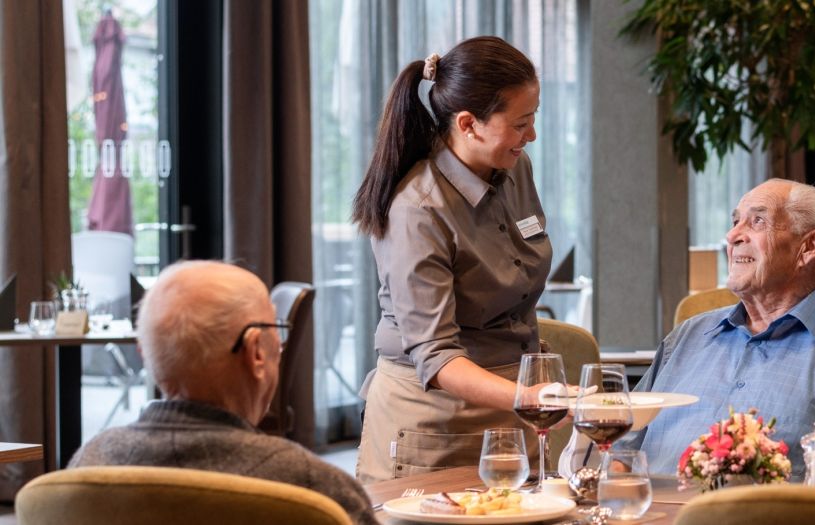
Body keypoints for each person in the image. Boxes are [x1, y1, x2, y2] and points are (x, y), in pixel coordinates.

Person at [618, 180, 815, 486]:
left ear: (809, 247)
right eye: (736, 221)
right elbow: (619, 450)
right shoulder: (685, 338)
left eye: (757, 221)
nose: (732, 235)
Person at [350, 36, 554, 484]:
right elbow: (437, 356)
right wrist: (527, 395)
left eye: (533, 118)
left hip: (514, 416)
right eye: (520, 123)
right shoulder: (417, 209)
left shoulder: (516, 168)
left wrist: (526, 397)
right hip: (434, 426)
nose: (531, 135)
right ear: (468, 123)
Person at [70, 261, 377, 525]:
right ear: (256, 351)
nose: (280, 347)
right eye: (276, 328)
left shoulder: (88, 466)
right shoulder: (312, 486)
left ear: (144, 353)